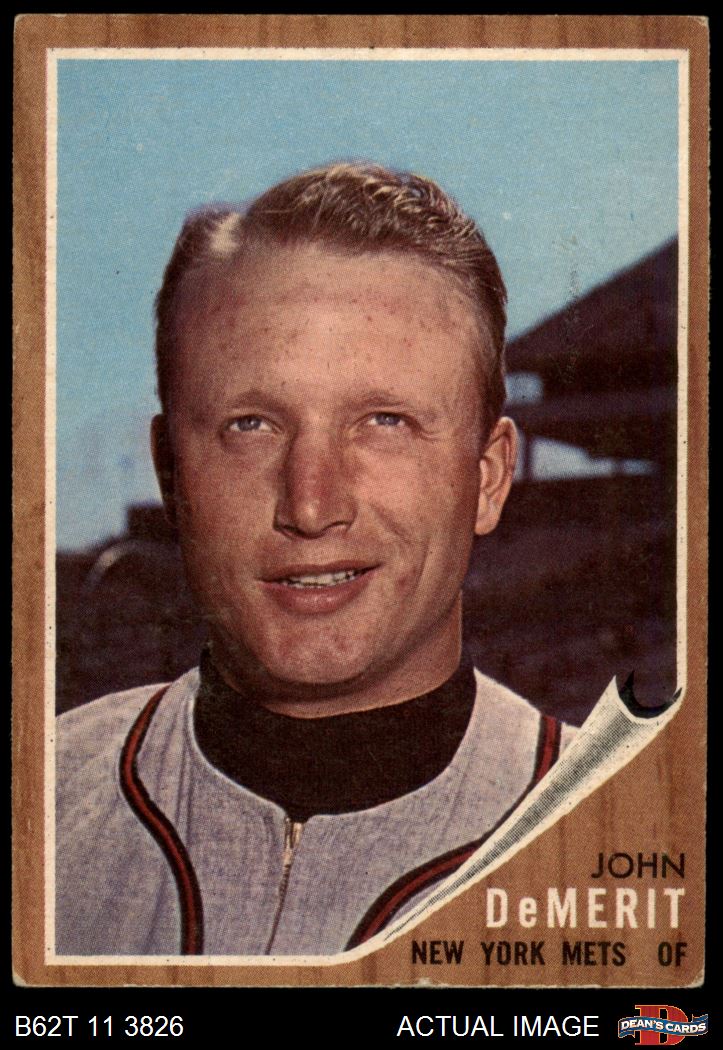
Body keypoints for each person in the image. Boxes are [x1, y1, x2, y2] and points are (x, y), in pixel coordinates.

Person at [56, 163, 573, 957]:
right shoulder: (40, 801)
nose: (310, 505)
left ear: (487, 478)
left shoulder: (624, 827)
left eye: (384, 421)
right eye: (250, 425)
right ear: (169, 473)